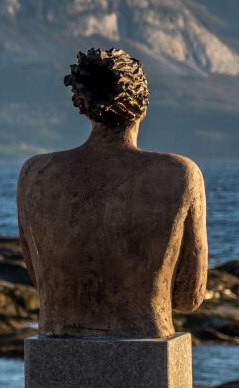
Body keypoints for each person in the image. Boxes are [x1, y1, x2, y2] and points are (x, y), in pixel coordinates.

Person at [16, 47, 207, 337]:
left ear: (82, 103)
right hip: (145, 335)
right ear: (142, 103)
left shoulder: (36, 174)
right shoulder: (179, 174)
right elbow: (188, 297)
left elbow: (39, 276)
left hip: (57, 335)